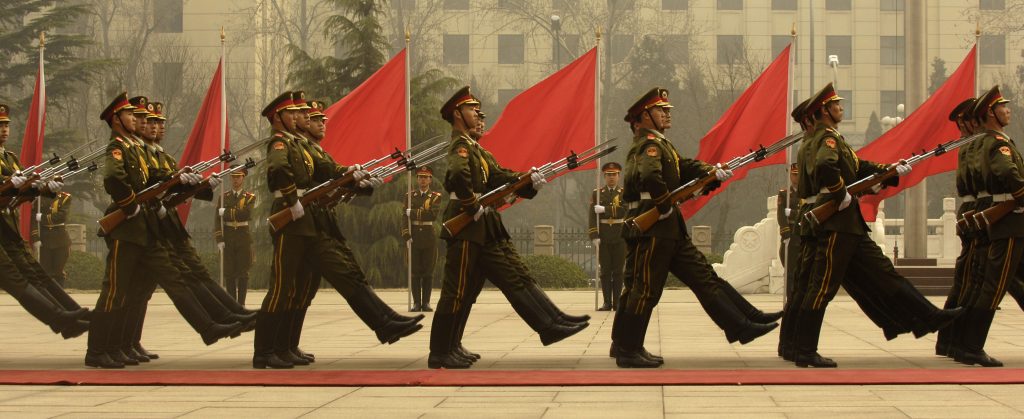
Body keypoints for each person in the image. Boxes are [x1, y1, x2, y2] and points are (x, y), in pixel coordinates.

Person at [792, 83, 961, 368]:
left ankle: (927, 317)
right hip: (836, 223)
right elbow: (826, 168)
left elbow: (859, 168)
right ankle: (804, 350)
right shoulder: (827, 140)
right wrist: (840, 192)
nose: (841, 108)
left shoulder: (824, 138)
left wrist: (890, 171)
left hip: (845, 225)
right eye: (835, 105)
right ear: (823, 111)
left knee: (882, 274)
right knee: (821, 287)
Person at [611, 87, 778, 369]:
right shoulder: (648, 145)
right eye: (660, 110)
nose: (667, 114)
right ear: (643, 117)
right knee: (644, 289)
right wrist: (664, 205)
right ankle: (628, 348)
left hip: (667, 227)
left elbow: (684, 167)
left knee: (703, 277)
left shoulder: (662, 144)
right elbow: (651, 176)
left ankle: (743, 322)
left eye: (666, 109)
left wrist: (710, 173)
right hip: (654, 224)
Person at [429, 86, 589, 369]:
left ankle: (549, 322)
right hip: (468, 225)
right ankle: (440, 351)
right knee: (456, 290)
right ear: (457, 114)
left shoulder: (477, 150)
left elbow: (501, 177)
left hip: (483, 225)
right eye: (472, 109)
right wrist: (470, 203)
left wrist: (528, 179)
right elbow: (455, 174)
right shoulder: (460, 146)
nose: (478, 114)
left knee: (493, 283)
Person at [87, 93, 243, 369]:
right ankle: (98, 350)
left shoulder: (135, 149)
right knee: (115, 291)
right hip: (126, 230)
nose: (137, 119)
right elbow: (113, 178)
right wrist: (129, 205)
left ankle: (124, 344)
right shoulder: (118, 148)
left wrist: (182, 181)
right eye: (131, 115)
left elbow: (152, 182)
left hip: (145, 228)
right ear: (116, 119)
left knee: (147, 286)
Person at [0, 103, 89, 342]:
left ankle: (70, 312)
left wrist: (44, 189)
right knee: (16, 280)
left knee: (35, 273)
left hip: (7, 229)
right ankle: (61, 319)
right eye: (0, 125)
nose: (4, 129)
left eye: (6, 125)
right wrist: (11, 182)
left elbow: (19, 191)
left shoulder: (9, 157)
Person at [954, 85, 1018, 367]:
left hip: (1007, 218)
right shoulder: (996, 143)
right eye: (1003, 107)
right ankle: (971, 346)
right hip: (1009, 222)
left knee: (986, 281)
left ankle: (961, 343)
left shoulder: (985, 142)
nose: (1008, 110)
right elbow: (1007, 174)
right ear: (991, 114)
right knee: (992, 285)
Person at [403, 166, 442, 312]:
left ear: (430, 179)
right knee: (414, 272)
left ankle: (426, 303)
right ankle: (416, 303)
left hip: (428, 236)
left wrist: (412, 213)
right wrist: (406, 234)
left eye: (425, 177)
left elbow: (432, 215)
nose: (423, 180)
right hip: (414, 236)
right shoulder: (409, 196)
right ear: (417, 179)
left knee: (427, 271)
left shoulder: (436, 196)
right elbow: (403, 217)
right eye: (420, 177)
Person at [216, 165, 255, 306]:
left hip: (243, 236)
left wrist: (225, 213)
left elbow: (246, 214)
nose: (235, 180)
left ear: (243, 178)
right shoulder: (224, 196)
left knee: (243, 273)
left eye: (238, 177)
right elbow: (217, 219)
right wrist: (219, 239)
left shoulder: (250, 197)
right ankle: (232, 304)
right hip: (228, 236)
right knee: (229, 273)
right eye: (233, 177)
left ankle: (242, 303)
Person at [590, 162, 626, 311]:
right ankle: (607, 303)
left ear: (618, 176)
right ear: (604, 177)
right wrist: (594, 235)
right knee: (605, 271)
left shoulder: (625, 192)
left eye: (614, 174)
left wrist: (606, 209)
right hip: (604, 236)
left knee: (618, 271)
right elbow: (592, 216)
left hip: (620, 235)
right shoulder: (597, 193)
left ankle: (617, 302)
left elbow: (625, 211)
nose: (611, 177)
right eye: (608, 175)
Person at [30, 191, 72, 287]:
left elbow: (62, 217)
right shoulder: (39, 199)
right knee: (45, 272)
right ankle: (48, 296)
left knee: (58, 271)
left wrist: (43, 217)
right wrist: (35, 237)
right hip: (44, 239)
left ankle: (60, 295)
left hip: (60, 239)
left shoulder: (65, 197)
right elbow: (33, 220)